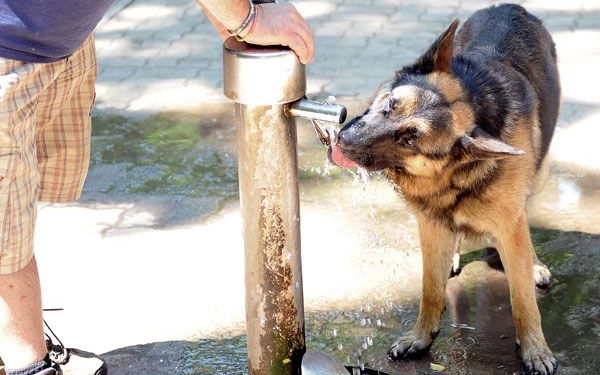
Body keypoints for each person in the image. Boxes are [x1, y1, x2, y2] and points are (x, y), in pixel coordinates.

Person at [0, 1, 314, 374]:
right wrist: (248, 17)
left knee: (15, 207)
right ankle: (28, 364)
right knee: (5, 233)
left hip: (51, 45)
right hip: (11, 47)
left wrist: (230, 16)